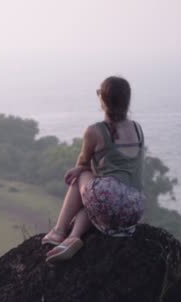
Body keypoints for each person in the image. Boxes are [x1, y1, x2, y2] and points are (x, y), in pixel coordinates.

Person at [42, 76, 145, 262]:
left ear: (102, 100)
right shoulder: (137, 129)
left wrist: (78, 170)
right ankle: (74, 236)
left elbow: (82, 164)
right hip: (134, 208)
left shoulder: (95, 131)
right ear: (127, 101)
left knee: (81, 176)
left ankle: (58, 231)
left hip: (109, 198)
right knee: (95, 201)